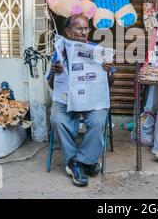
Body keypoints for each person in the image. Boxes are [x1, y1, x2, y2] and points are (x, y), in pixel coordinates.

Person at [47, 14, 115, 187]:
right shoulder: (60, 51)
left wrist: (108, 71)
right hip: (67, 100)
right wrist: (54, 73)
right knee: (56, 118)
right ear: (68, 31)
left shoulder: (97, 50)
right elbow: (52, 85)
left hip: (92, 99)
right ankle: (80, 162)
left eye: (86, 28)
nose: (84, 32)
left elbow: (110, 83)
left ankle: (81, 161)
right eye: (79, 28)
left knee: (99, 119)